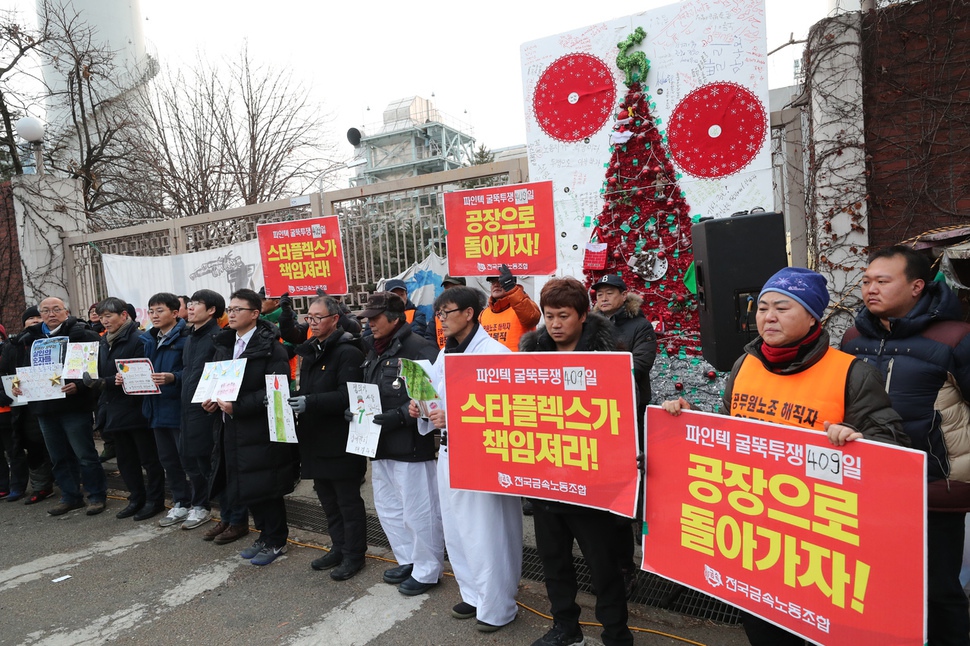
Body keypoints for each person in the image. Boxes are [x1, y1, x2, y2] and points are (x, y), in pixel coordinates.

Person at [663, 266, 908, 646]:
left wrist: (860, 440)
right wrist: (691, 418)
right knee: (761, 629)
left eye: (782, 307)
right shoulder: (745, 365)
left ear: (813, 315)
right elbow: (732, 429)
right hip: (753, 529)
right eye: (761, 308)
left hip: (816, 543)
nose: (768, 317)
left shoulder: (852, 374)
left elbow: (892, 445)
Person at [842, 246, 970, 646]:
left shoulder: (956, 338)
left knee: (939, 591)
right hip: (869, 486)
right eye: (866, 281)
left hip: (932, 487)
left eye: (882, 281)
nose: (870, 289)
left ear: (917, 286)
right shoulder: (853, 337)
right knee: (876, 586)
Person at [520, 277, 634, 646]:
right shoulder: (530, 355)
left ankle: (616, 634)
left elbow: (627, 415)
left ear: (583, 316)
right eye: (549, 316)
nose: (555, 324)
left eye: (563, 316)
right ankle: (565, 628)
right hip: (545, 478)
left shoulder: (610, 358)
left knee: (603, 568)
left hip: (592, 484)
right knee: (553, 562)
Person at [410, 285, 522, 632]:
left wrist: (453, 417)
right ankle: (473, 593)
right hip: (449, 449)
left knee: (486, 531)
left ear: (469, 313)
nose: (440, 320)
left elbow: (508, 409)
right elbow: (440, 398)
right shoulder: (449, 351)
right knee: (457, 528)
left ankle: (497, 606)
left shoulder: (495, 352)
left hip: (483, 454)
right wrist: (422, 408)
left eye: (447, 312)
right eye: (438, 314)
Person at [204, 288, 299, 566]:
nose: (231, 314)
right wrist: (209, 400)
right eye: (229, 309)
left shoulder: (272, 347)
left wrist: (240, 406)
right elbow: (215, 382)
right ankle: (263, 535)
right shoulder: (224, 345)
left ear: (255, 314)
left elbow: (276, 390)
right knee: (246, 484)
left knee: (267, 485)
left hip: (260, 427)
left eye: (238, 309)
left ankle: (277, 540)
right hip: (230, 427)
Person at [356, 291, 442, 595]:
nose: (369, 324)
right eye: (367, 319)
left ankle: (428, 568)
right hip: (378, 442)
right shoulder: (374, 349)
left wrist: (400, 416)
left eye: (375, 319)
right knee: (389, 507)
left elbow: (430, 397)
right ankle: (408, 559)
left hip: (410, 443)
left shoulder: (418, 348)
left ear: (395, 318)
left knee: (418, 509)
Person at [289, 295, 368, 581]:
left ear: (334, 319)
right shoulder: (310, 350)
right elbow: (307, 388)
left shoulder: (348, 352)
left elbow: (348, 394)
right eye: (308, 317)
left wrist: (311, 401)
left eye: (318, 317)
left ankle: (354, 555)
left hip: (342, 439)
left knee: (347, 501)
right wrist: (293, 399)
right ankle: (339, 547)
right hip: (315, 437)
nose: (312, 323)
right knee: (327, 499)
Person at [592, 273, 658, 595]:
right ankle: (610, 562)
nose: (603, 298)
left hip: (630, 414)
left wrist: (600, 370)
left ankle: (628, 561)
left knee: (629, 482)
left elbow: (642, 363)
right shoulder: (589, 325)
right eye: (599, 293)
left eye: (609, 292)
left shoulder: (640, 327)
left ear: (623, 295)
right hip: (595, 417)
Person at [18, 297, 106, 516]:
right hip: (44, 407)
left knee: (85, 454)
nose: (51, 314)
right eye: (45, 310)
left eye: (56, 309)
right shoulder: (29, 338)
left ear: (66, 311)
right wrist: (17, 385)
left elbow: (93, 369)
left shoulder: (82, 334)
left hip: (75, 407)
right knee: (58, 456)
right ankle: (70, 496)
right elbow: (18, 368)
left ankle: (96, 496)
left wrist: (79, 386)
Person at [182, 290, 248, 542]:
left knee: (221, 469)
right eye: (189, 304)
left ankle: (236, 520)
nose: (190, 308)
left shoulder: (217, 339)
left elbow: (223, 375)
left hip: (212, 412)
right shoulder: (191, 337)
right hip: (192, 410)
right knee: (205, 467)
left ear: (211, 310)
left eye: (195, 304)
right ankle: (226, 517)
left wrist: (215, 400)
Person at [93, 297, 165, 521]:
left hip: (137, 409)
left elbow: (144, 374)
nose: (104, 321)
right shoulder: (104, 342)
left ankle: (155, 501)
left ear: (124, 315)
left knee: (148, 459)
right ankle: (136, 498)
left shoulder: (138, 339)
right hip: (114, 410)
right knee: (125, 459)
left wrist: (109, 381)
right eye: (101, 316)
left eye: (109, 316)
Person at [141, 293, 196, 528]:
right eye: (151, 310)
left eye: (160, 310)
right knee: (168, 461)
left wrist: (174, 377)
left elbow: (195, 372)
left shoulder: (187, 338)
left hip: (178, 408)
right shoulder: (148, 340)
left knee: (189, 460)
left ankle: (199, 504)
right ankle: (181, 502)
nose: (154, 315)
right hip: (156, 409)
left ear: (175, 313)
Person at [0, 307, 54, 505]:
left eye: (38, 317)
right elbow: (6, 375)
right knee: (32, 445)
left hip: (52, 401)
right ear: (24, 322)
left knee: (57, 445)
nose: (35, 320)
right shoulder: (13, 345)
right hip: (23, 406)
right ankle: (41, 486)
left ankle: (66, 486)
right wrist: (9, 390)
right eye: (30, 317)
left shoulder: (52, 341)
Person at [481, 264, 541, 352]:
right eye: (493, 282)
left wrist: (511, 289)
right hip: (489, 365)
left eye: (500, 281)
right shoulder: (483, 314)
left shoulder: (524, 307)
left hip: (518, 365)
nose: (496, 285)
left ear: (512, 283)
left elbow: (531, 318)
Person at [433, 275, 467, 349]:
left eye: (453, 288)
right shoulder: (437, 313)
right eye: (447, 288)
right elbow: (430, 338)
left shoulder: (477, 312)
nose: (442, 319)